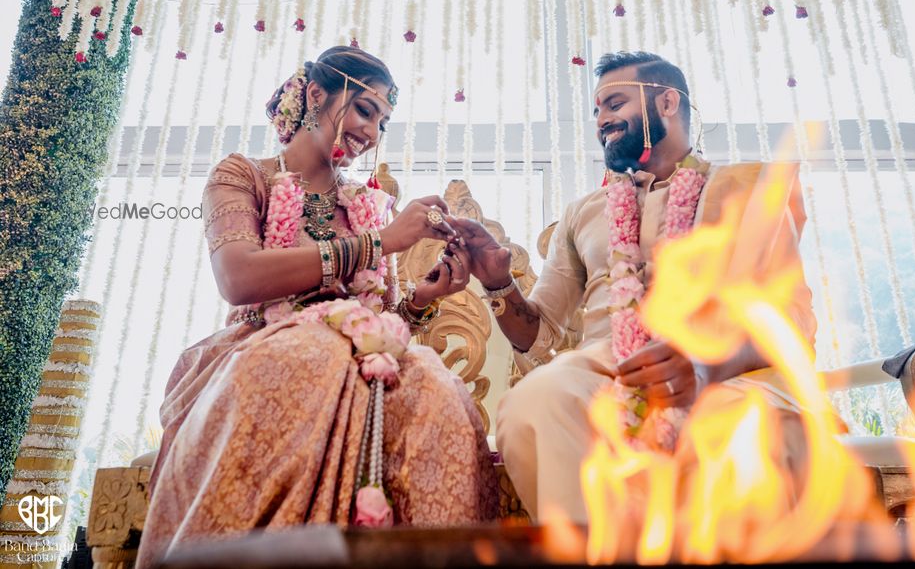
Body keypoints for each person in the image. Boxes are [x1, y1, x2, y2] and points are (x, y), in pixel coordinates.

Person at [136, 46, 497, 568]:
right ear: (314, 95)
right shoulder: (243, 176)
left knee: (435, 390)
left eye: (383, 123)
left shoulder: (370, 206)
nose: (371, 133)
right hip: (264, 341)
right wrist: (379, 243)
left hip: (362, 353)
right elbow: (239, 277)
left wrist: (423, 298)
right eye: (365, 110)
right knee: (310, 353)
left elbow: (383, 315)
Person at [451, 51, 817, 524]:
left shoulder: (750, 188)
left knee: (737, 429)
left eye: (614, 103)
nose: (602, 120)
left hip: (733, 371)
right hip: (608, 366)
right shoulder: (585, 211)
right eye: (597, 111)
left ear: (667, 102)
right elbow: (541, 339)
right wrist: (498, 283)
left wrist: (703, 365)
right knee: (535, 400)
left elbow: (793, 320)